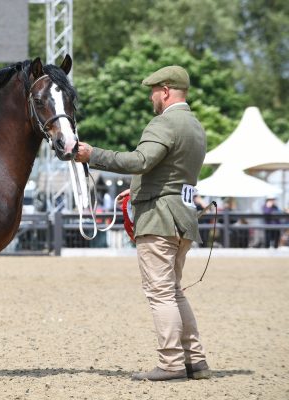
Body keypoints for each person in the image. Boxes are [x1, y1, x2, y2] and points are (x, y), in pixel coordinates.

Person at [75, 65, 211, 381]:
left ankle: (171, 363)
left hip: (160, 219)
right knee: (174, 291)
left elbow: (141, 161)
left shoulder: (164, 123)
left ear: (165, 90)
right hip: (183, 218)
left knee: (160, 293)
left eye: (152, 90)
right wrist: (138, 185)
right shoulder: (195, 126)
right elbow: (170, 173)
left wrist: (93, 154)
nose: (151, 96)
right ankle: (196, 361)